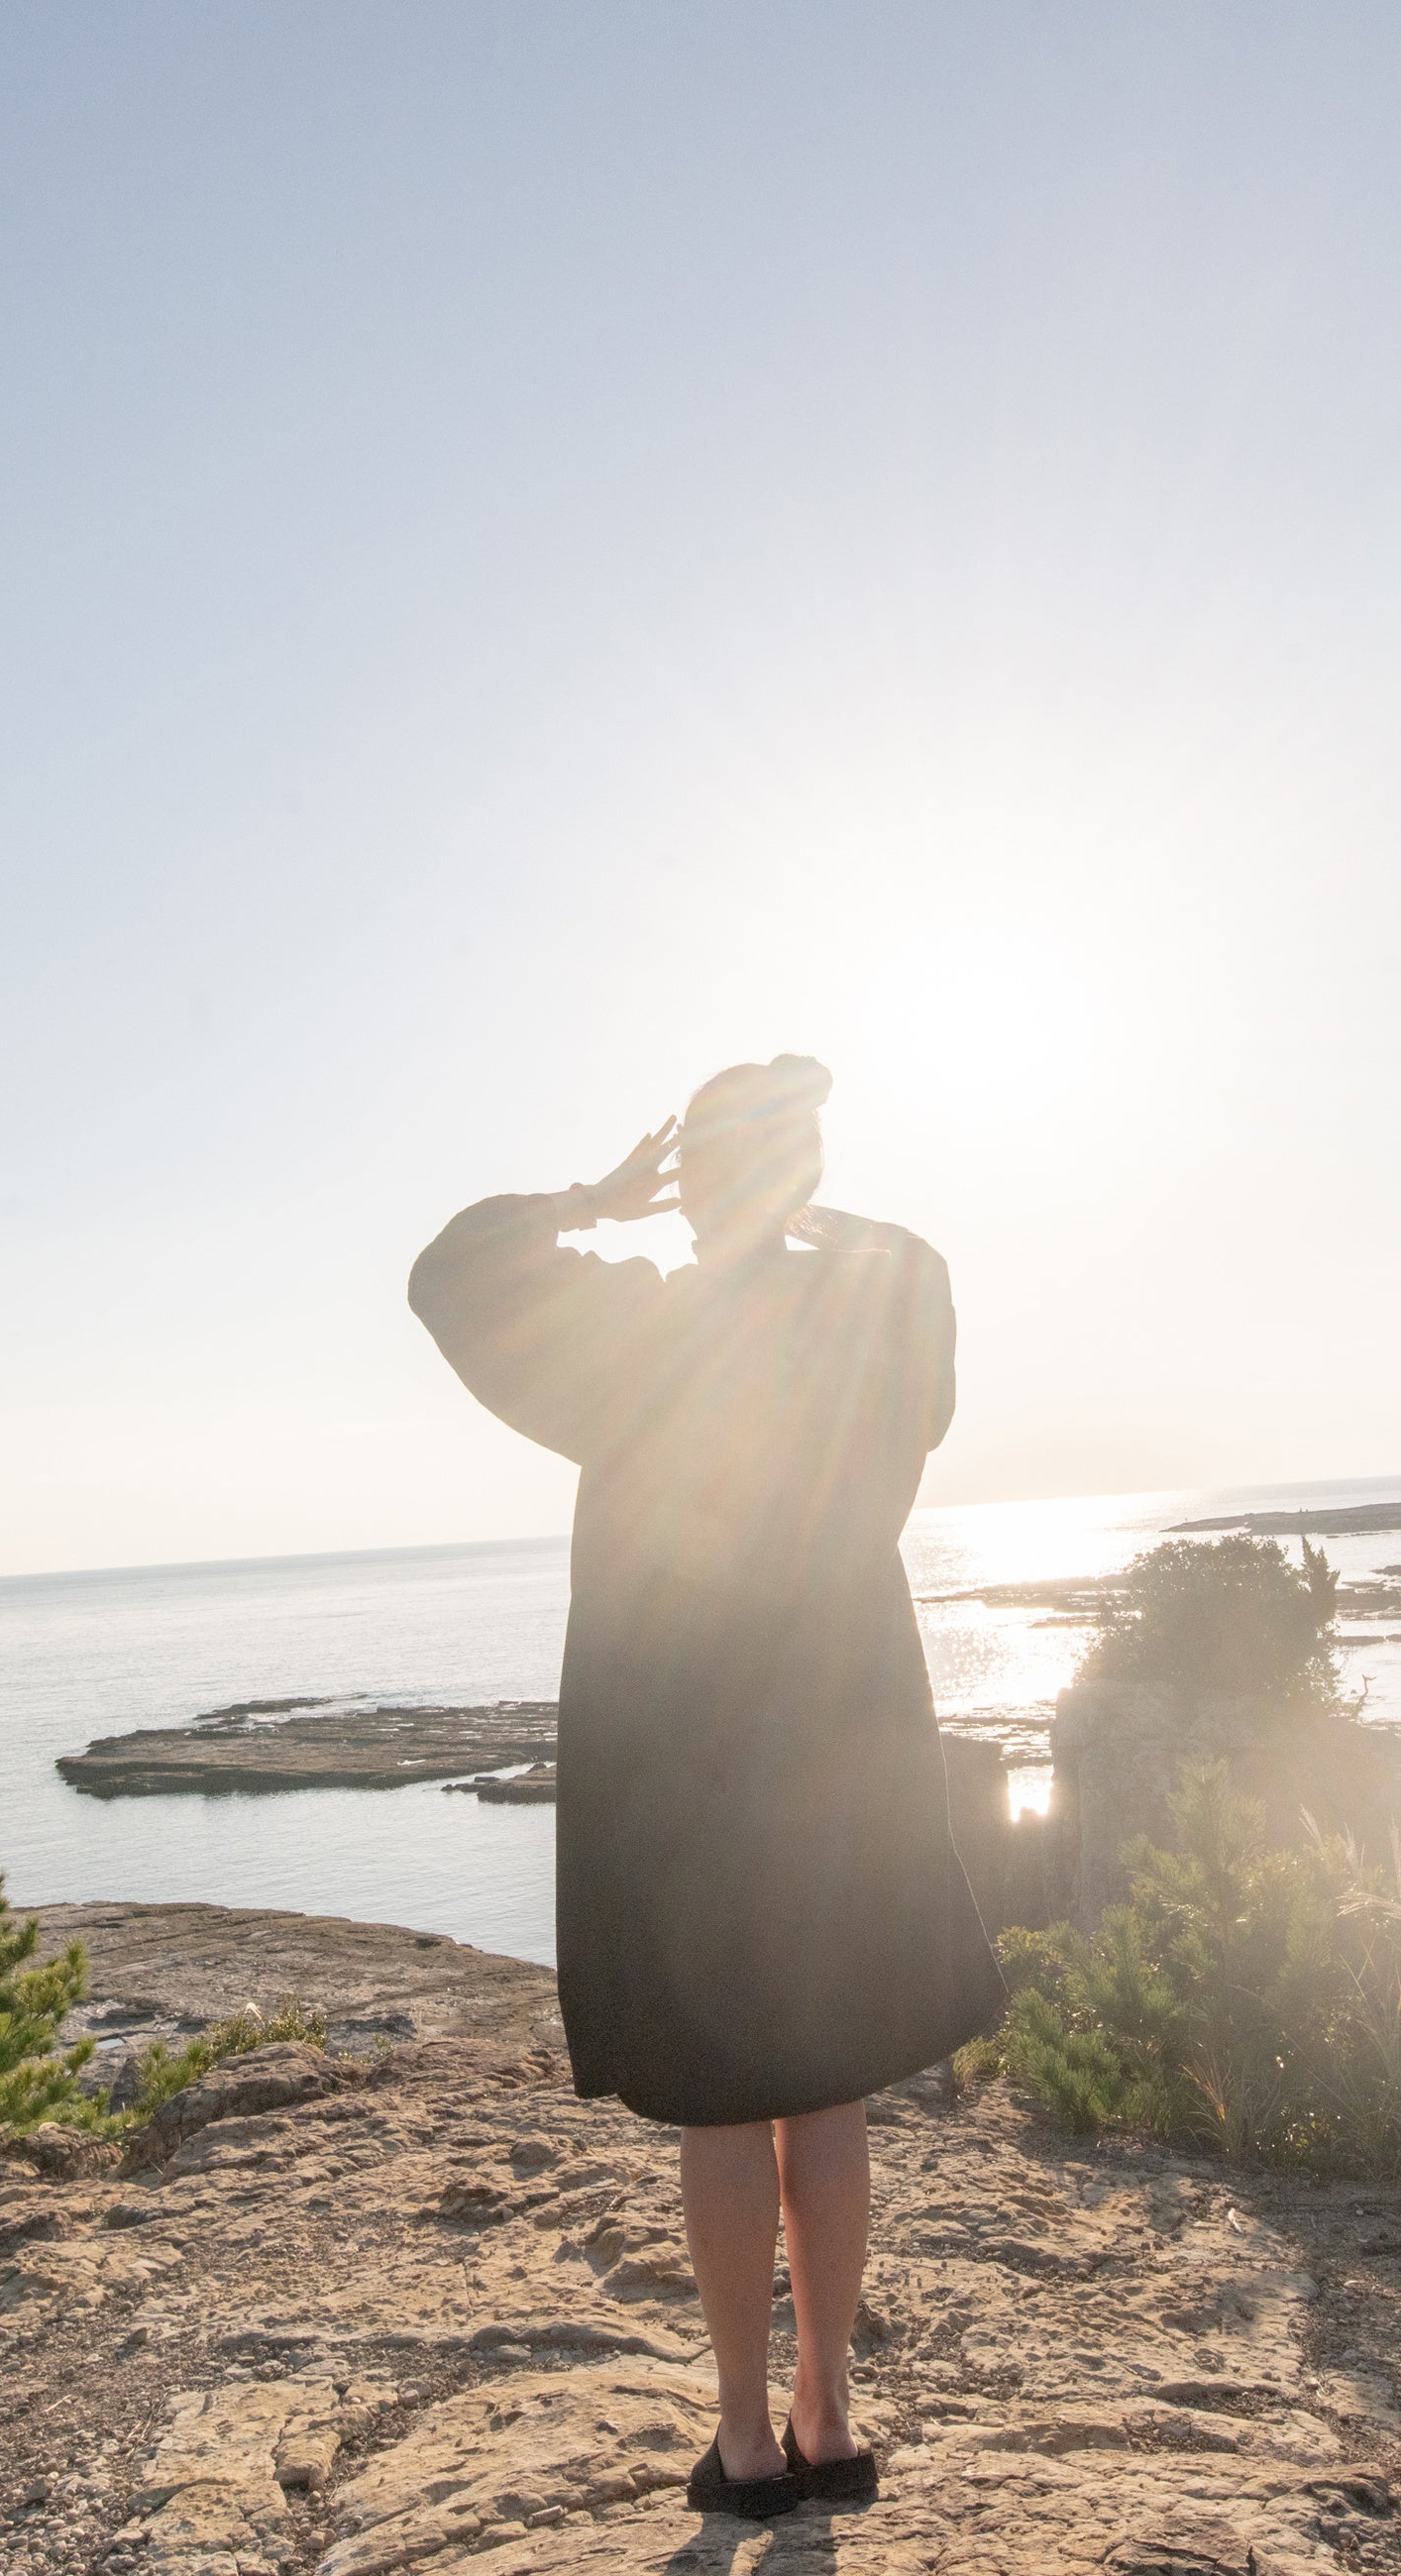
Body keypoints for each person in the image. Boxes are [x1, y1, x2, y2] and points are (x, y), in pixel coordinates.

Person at [407, 1055, 1007, 2521]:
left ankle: (746, 2441)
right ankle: (832, 2414)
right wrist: (791, 1203)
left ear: (691, 1188)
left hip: (683, 1752)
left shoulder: (641, 1338)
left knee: (728, 2105)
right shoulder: (872, 1316)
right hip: (836, 1736)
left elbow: (451, 1275)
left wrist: (594, 1201)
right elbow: (916, 1272)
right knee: (827, 2082)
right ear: (801, 1177)